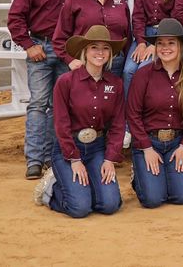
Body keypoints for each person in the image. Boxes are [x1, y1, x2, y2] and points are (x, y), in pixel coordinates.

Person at [7, 0, 86, 179]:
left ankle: (53, 156)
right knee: (39, 104)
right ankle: (34, 159)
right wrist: (29, 45)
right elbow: (16, 17)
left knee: (61, 105)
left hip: (68, 51)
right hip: (40, 46)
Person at [32, 26, 126, 218]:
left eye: (105, 48)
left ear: (110, 53)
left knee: (110, 205)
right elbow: (60, 124)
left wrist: (110, 159)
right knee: (80, 208)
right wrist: (74, 159)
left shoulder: (115, 84)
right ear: (84, 51)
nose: (100, 53)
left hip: (97, 148)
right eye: (94, 47)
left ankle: (84, 186)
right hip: (69, 149)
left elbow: (117, 125)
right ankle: (51, 190)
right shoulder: (66, 81)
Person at [126, 18, 183, 208]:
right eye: (160, 43)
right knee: (153, 200)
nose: (165, 48)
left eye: (171, 43)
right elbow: (133, 114)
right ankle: (140, 173)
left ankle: (159, 178)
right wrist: (146, 148)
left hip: (176, 143)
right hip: (149, 143)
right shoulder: (143, 75)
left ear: (181, 45)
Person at [52, 0, 131, 77]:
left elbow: (128, 37)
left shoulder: (121, 3)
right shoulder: (73, 2)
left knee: (115, 96)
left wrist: (127, 62)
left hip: (116, 62)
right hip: (85, 62)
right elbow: (59, 38)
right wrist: (70, 60)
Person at [122, 0, 183, 94]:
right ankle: (127, 115)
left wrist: (156, 44)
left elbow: (175, 16)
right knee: (128, 71)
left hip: (165, 37)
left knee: (144, 70)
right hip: (144, 35)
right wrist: (142, 43)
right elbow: (138, 16)